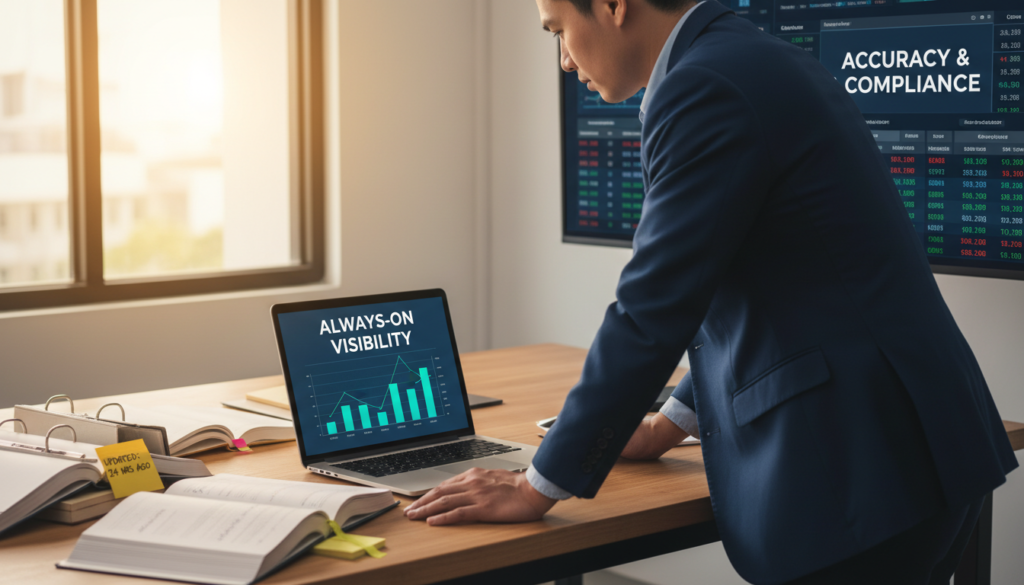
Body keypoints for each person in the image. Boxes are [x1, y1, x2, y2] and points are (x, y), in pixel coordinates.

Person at [404, 0, 1019, 582]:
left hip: (862, 467)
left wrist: (535, 485)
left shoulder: (704, 87)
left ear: (615, 5)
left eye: (556, 29)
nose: (563, 59)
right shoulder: (751, 58)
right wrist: (665, 426)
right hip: (914, 445)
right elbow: (773, 281)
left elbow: (651, 309)